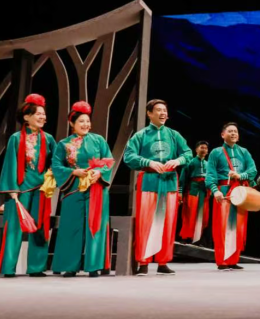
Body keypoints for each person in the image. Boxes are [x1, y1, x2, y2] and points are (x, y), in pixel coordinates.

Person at [123, 99, 192, 276]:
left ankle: (163, 261)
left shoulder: (173, 134)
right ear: (149, 113)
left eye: (164, 110)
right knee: (146, 221)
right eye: (158, 110)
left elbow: (188, 153)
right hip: (149, 181)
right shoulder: (141, 135)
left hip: (169, 181)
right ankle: (143, 262)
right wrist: (149, 162)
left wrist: (178, 160)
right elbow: (128, 157)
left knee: (168, 221)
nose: (163, 113)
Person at [0, 94, 56, 278]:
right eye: (38, 114)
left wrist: (51, 178)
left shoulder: (48, 139)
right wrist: (12, 190)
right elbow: (10, 164)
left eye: (44, 114)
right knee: (13, 228)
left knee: (40, 227)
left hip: (40, 189)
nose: (43, 117)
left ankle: (36, 267)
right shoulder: (16, 138)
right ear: (26, 116)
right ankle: (9, 268)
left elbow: (56, 162)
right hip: (19, 190)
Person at [52, 102, 114, 277]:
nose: (86, 124)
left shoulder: (98, 140)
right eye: (81, 121)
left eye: (87, 121)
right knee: (71, 227)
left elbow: (108, 161)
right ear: (72, 123)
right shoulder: (63, 144)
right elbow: (56, 166)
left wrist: (99, 172)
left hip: (96, 189)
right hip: (73, 189)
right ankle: (70, 266)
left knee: (96, 225)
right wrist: (73, 172)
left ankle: (94, 266)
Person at [206, 123, 257, 270]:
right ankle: (222, 261)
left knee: (238, 226)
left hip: (240, 192)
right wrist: (215, 190)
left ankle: (233, 260)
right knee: (222, 226)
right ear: (223, 135)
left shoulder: (244, 152)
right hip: (223, 191)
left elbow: (253, 170)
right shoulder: (216, 152)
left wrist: (241, 176)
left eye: (235, 131)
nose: (233, 133)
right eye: (230, 131)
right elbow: (210, 174)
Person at [180, 141, 211, 245]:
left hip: (204, 192)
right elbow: (183, 178)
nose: (204, 150)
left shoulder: (208, 164)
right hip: (192, 190)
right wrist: (180, 192)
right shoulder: (190, 162)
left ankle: (197, 238)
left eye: (206, 148)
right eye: (202, 147)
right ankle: (187, 237)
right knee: (190, 213)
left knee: (203, 215)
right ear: (196, 149)